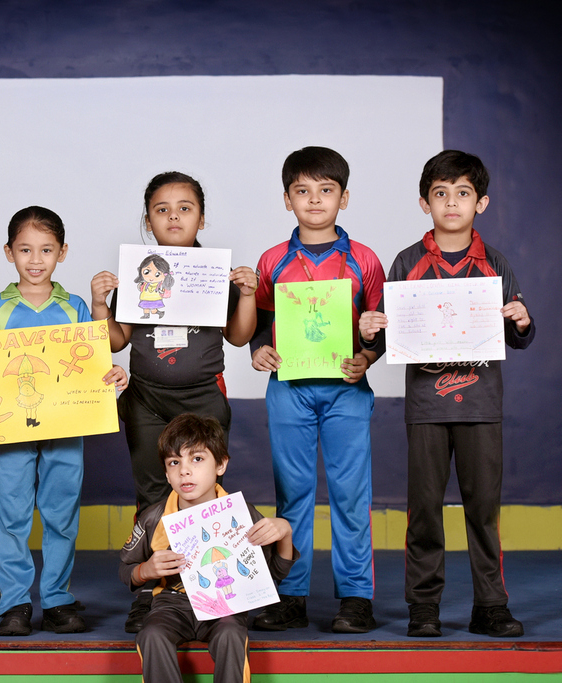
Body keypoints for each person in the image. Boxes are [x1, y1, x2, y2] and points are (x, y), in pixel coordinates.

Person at [359, 150, 534, 638]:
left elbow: (518, 332)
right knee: (425, 511)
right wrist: (370, 330)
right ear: (424, 203)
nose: (451, 203)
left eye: (462, 194)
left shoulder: (494, 263)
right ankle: (423, 606)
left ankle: (491, 606)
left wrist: (522, 320)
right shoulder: (407, 262)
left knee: (483, 512)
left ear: (481, 203)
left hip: (481, 406)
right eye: (441, 194)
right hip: (426, 407)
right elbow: (388, 337)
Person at [0, 206, 128, 636]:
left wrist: (116, 374)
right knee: (10, 515)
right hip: (10, 431)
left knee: (61, 515)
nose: (36, 259)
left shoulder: (76, 307)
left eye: (46, 249)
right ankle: (15, 603)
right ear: (8, 253)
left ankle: (59, 599)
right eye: (25, 249)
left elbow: (97, 364)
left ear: (62, 253)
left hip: (66, 430)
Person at [89, 172, 259, 632]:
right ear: (148, 220)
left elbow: (241, 336)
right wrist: (100, 303)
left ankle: (212, 586)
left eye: (185, 207)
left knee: (202, 495)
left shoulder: (215, 275)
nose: (174, 216)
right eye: (162, 209)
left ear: (202, 217)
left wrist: (246, 293)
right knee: (152, 494)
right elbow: (117, 341)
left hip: (203, 397)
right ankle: (151, 592)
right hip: (146, 399)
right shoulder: (138, 272)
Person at [250, 146, 385, 633]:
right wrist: (257, 352)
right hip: (289, 389)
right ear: (287, 200)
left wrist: (367, 356)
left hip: (347, 390)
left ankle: (355, 597)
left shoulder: (364, 260)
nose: (314, 200)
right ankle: (292, 593)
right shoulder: (272, 260)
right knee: (293, 494)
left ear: (343, 198)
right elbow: (261, 325)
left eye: (325, 191)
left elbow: (379, 331)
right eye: (302, 191)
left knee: (351, 494)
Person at [120, 413, 296, 683]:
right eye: (174, 462)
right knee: (150, 635)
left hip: (225, 606)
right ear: (167, 474)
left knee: (231, 635)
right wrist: (145, 570)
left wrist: (284, 532)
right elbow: (126, 571)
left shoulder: (240, 515)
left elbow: (276, 572)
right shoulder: (153, 518)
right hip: (171, 604)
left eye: (197, 459)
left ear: (221, 465)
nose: (185, 470)